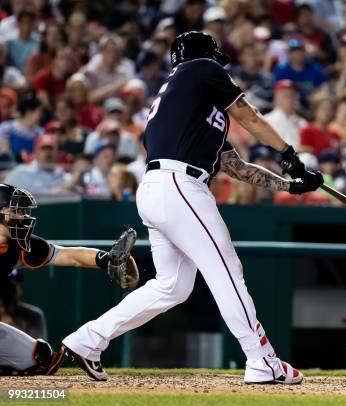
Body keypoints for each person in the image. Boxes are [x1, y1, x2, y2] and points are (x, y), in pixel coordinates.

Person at [62, 31, 323, 383]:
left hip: (160, 189)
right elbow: (250, 115)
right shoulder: (199, 67)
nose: (219, 64)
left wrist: (291, 185)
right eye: (215, 57)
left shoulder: (189, 106)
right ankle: (261, 359)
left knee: (172, 286)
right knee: (227, 271)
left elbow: (237, 167)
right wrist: (289, 154)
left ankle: (88, 339)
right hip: (179, 186)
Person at [0, 184, 138, 376]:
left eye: (22, 211)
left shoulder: (18, 245)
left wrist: (107, 259)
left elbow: (68, 255)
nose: (22, 216)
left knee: (41, 358)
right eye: (15, 210)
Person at [4, 134, 70, 197]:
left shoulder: (64, 176)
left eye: (51, 149)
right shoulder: (21, 172)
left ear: (58, 153)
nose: (47, 152)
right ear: (35, 153)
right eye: (43, 149)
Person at [263, 80, 306, 148]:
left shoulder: (302, 123)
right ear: (276, 98)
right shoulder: (266, 120)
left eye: (292, 95)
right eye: (285, 95)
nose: (289, 99)